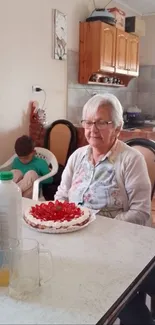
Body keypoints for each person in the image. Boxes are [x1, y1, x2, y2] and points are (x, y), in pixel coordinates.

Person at [55, 93, 153, 324]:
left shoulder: (131, 160)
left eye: (101, 122)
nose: (92, 129)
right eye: (88, 122)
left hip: (122, 247)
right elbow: (61, 196)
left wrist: (98, 228)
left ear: (117, 128)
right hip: (78, 244)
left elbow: (141, 213)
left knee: (123, 301)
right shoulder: (77, 157)